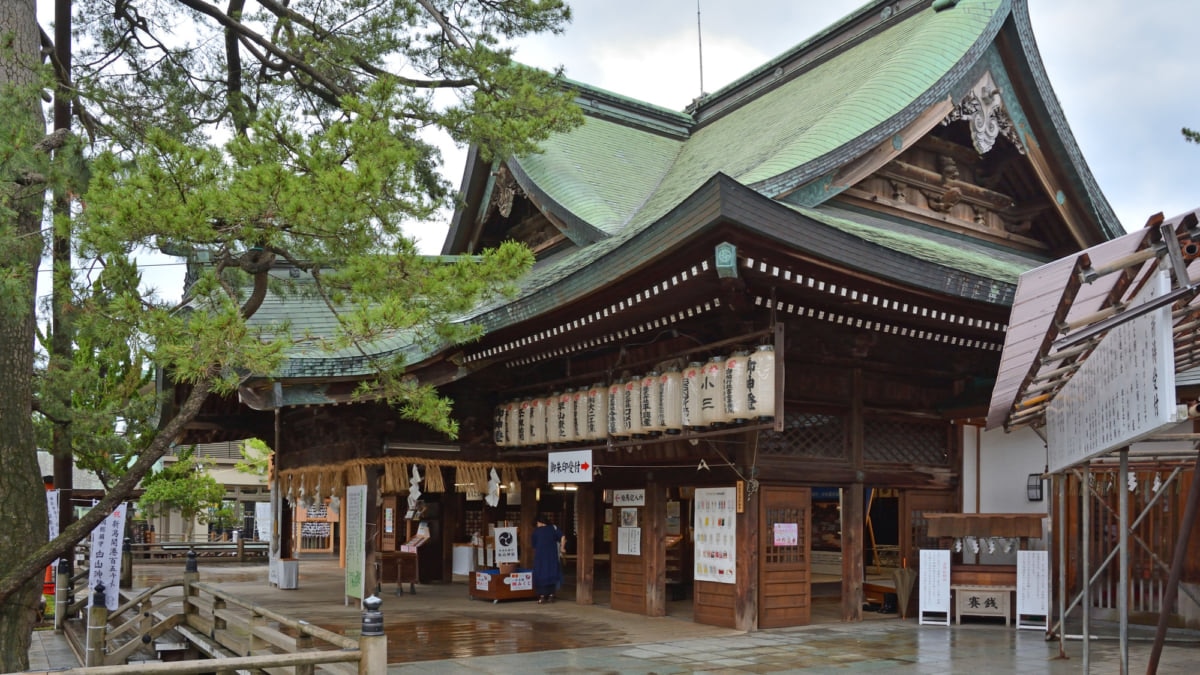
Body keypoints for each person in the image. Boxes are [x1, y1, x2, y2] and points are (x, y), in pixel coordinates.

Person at [531, 516, 565, 604]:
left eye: (537, 524)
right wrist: (562, 548)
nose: (537, 525)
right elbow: (562, 537)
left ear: (540, 522)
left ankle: (542, 596)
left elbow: (534, 545)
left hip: (540, 558)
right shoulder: (553, 528)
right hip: (552, 557)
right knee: (552, 573)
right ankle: (551, 595)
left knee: (540, 574)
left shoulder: (536, 531)